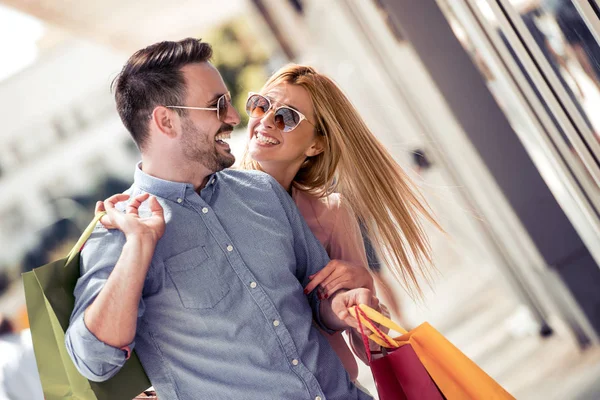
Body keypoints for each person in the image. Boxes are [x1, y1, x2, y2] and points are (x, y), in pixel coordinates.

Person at [65, 38, 377, 400]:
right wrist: (138, 248)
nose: (233, 117)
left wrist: (339, 306)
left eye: (229, 102)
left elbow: (318, 298)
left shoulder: (262, 190)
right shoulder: (119, 230)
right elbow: (93, 359)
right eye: (217, 106)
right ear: (166, 121)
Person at [236, 65, 441, 377]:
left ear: (316, 144)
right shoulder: (213, 202)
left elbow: (371, 350)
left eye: (287, 117)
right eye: (261, 105)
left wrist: (362, 286)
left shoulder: (331, 212)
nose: (265, 121)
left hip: (333, 386)